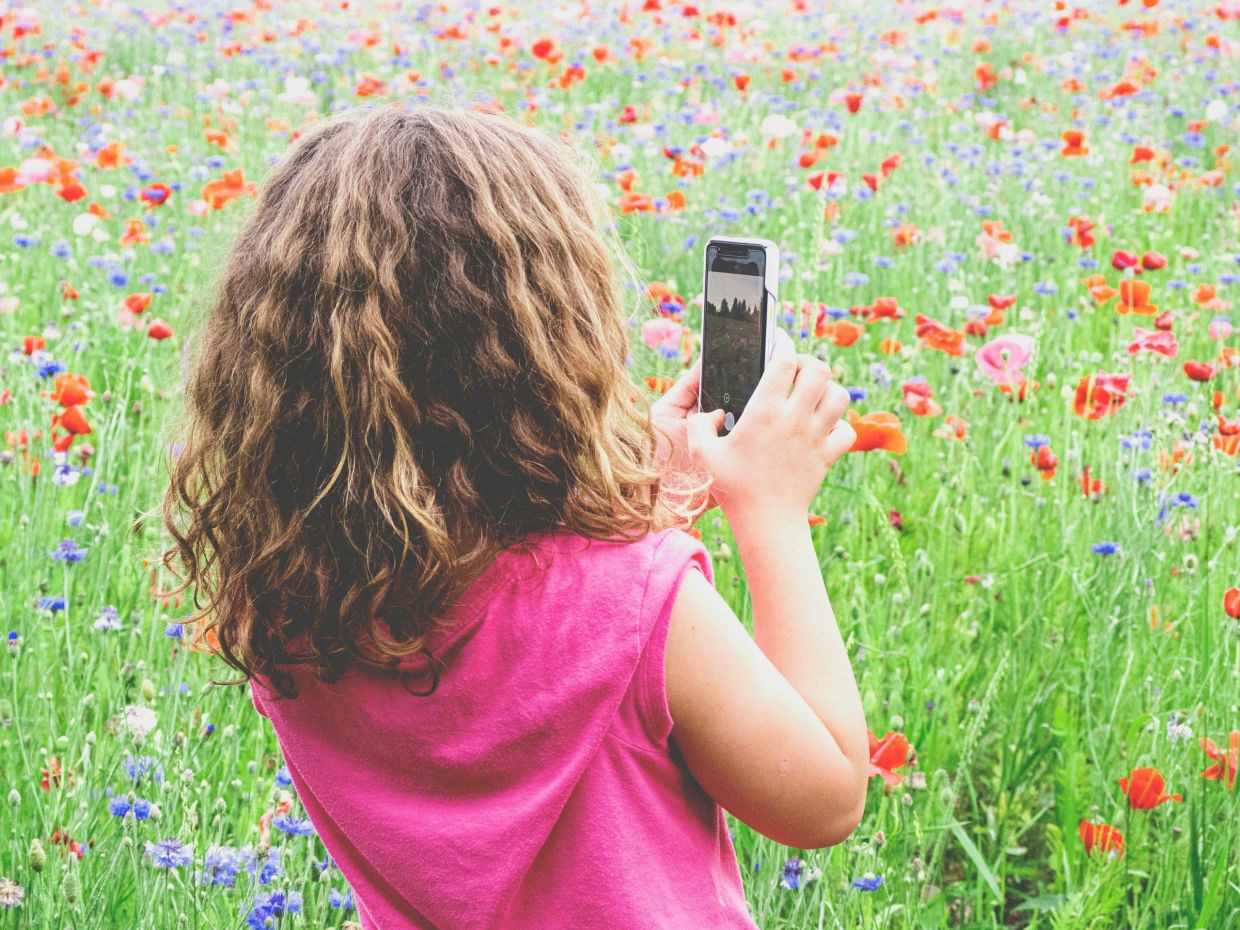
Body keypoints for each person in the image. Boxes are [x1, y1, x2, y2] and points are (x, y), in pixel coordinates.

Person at [161, 103, 868, 930]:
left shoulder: (287, 605)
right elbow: (823, 801)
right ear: (552, 346)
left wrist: (650, 503)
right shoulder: (642, 605)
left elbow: (502, 626)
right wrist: (769, 512)